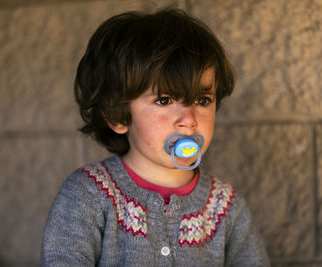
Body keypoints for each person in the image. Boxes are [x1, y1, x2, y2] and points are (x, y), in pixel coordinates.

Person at [41, 8, 269, 266]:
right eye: (164, 100)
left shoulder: (225, 206)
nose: (189, 119)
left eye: (203, 100)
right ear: (118, 115)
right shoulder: (87, 195)